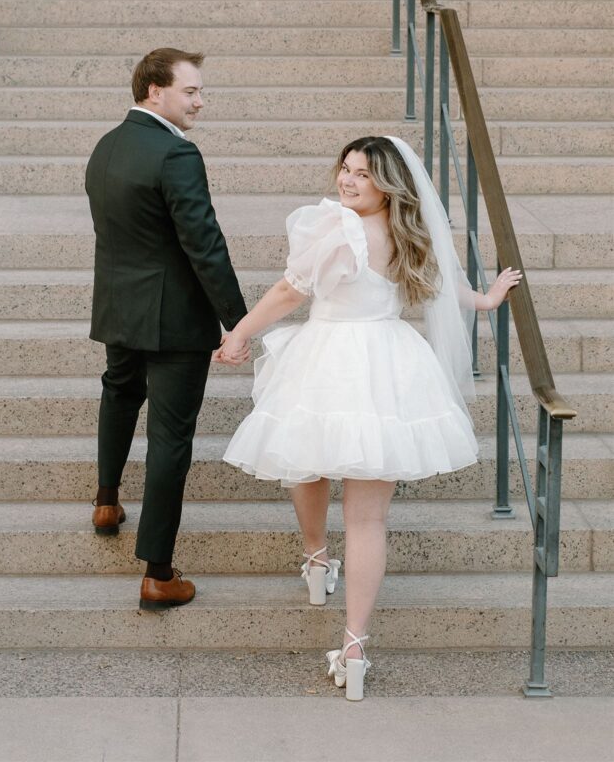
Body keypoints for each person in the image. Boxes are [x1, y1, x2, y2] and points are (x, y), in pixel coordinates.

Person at [217, 135, 521, 700]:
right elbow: (437, 286)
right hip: (389, 365)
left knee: (306, 461)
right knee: (367, 519)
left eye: (363, 174)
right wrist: (485, 299)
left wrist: (239, 334)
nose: (348, 181)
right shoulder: (409, 233)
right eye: (345, 169)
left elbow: (290, 291)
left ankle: (315, 560)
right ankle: (354, 645)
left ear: (388, 184)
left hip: (328, 354)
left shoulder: (338, 229)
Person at [85, 47, 249, 611]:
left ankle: (106, 501)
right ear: (155, 91)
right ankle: (158, 572)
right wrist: (238, 320)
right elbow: (203, 243)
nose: (200, 101)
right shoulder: (177, 155)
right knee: (170, 438)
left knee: (119, 391)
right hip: (174, 320)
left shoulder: (106, 147)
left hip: (118, 308)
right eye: (191, 91)